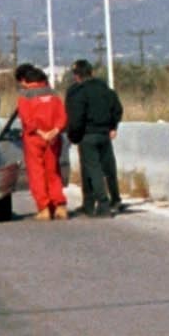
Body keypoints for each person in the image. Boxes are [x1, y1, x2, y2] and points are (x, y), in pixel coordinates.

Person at [64, 58, 124, 217]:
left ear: (77, 76)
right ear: (91, 72)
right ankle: (92, 203)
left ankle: (103, 204)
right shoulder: (104, 89)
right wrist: (113, 126)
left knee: (93, 170)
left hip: (87, 135)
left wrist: (73, 135)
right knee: (106, 168)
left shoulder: (78, 92)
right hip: (104, 134)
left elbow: (76, 117)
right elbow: (117, 108)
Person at [13, 63, 68, 219]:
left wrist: (41, 133)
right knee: (53, 171)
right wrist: (54, 131)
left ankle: (44, 208)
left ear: (26, 80)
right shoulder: (53, 94)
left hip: (34, 138)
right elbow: (63, 117)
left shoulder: (25, 96)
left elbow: (27, 119)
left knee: (36, 173)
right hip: (53, 137)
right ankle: (60, 205)